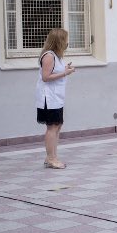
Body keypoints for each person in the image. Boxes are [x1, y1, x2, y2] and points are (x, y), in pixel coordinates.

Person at [36, 28, 74, 169]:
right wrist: (65, 73)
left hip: (56, 98)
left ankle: (52, 157)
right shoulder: (49, 56)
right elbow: (46, 77)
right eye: (65, 40)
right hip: (49, 98)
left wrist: (65, 68)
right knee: (52, 127)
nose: (67, 43)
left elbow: (54, 71)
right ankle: (51, 159)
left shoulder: (56, 56)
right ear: (59, 41)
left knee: (57, 126)